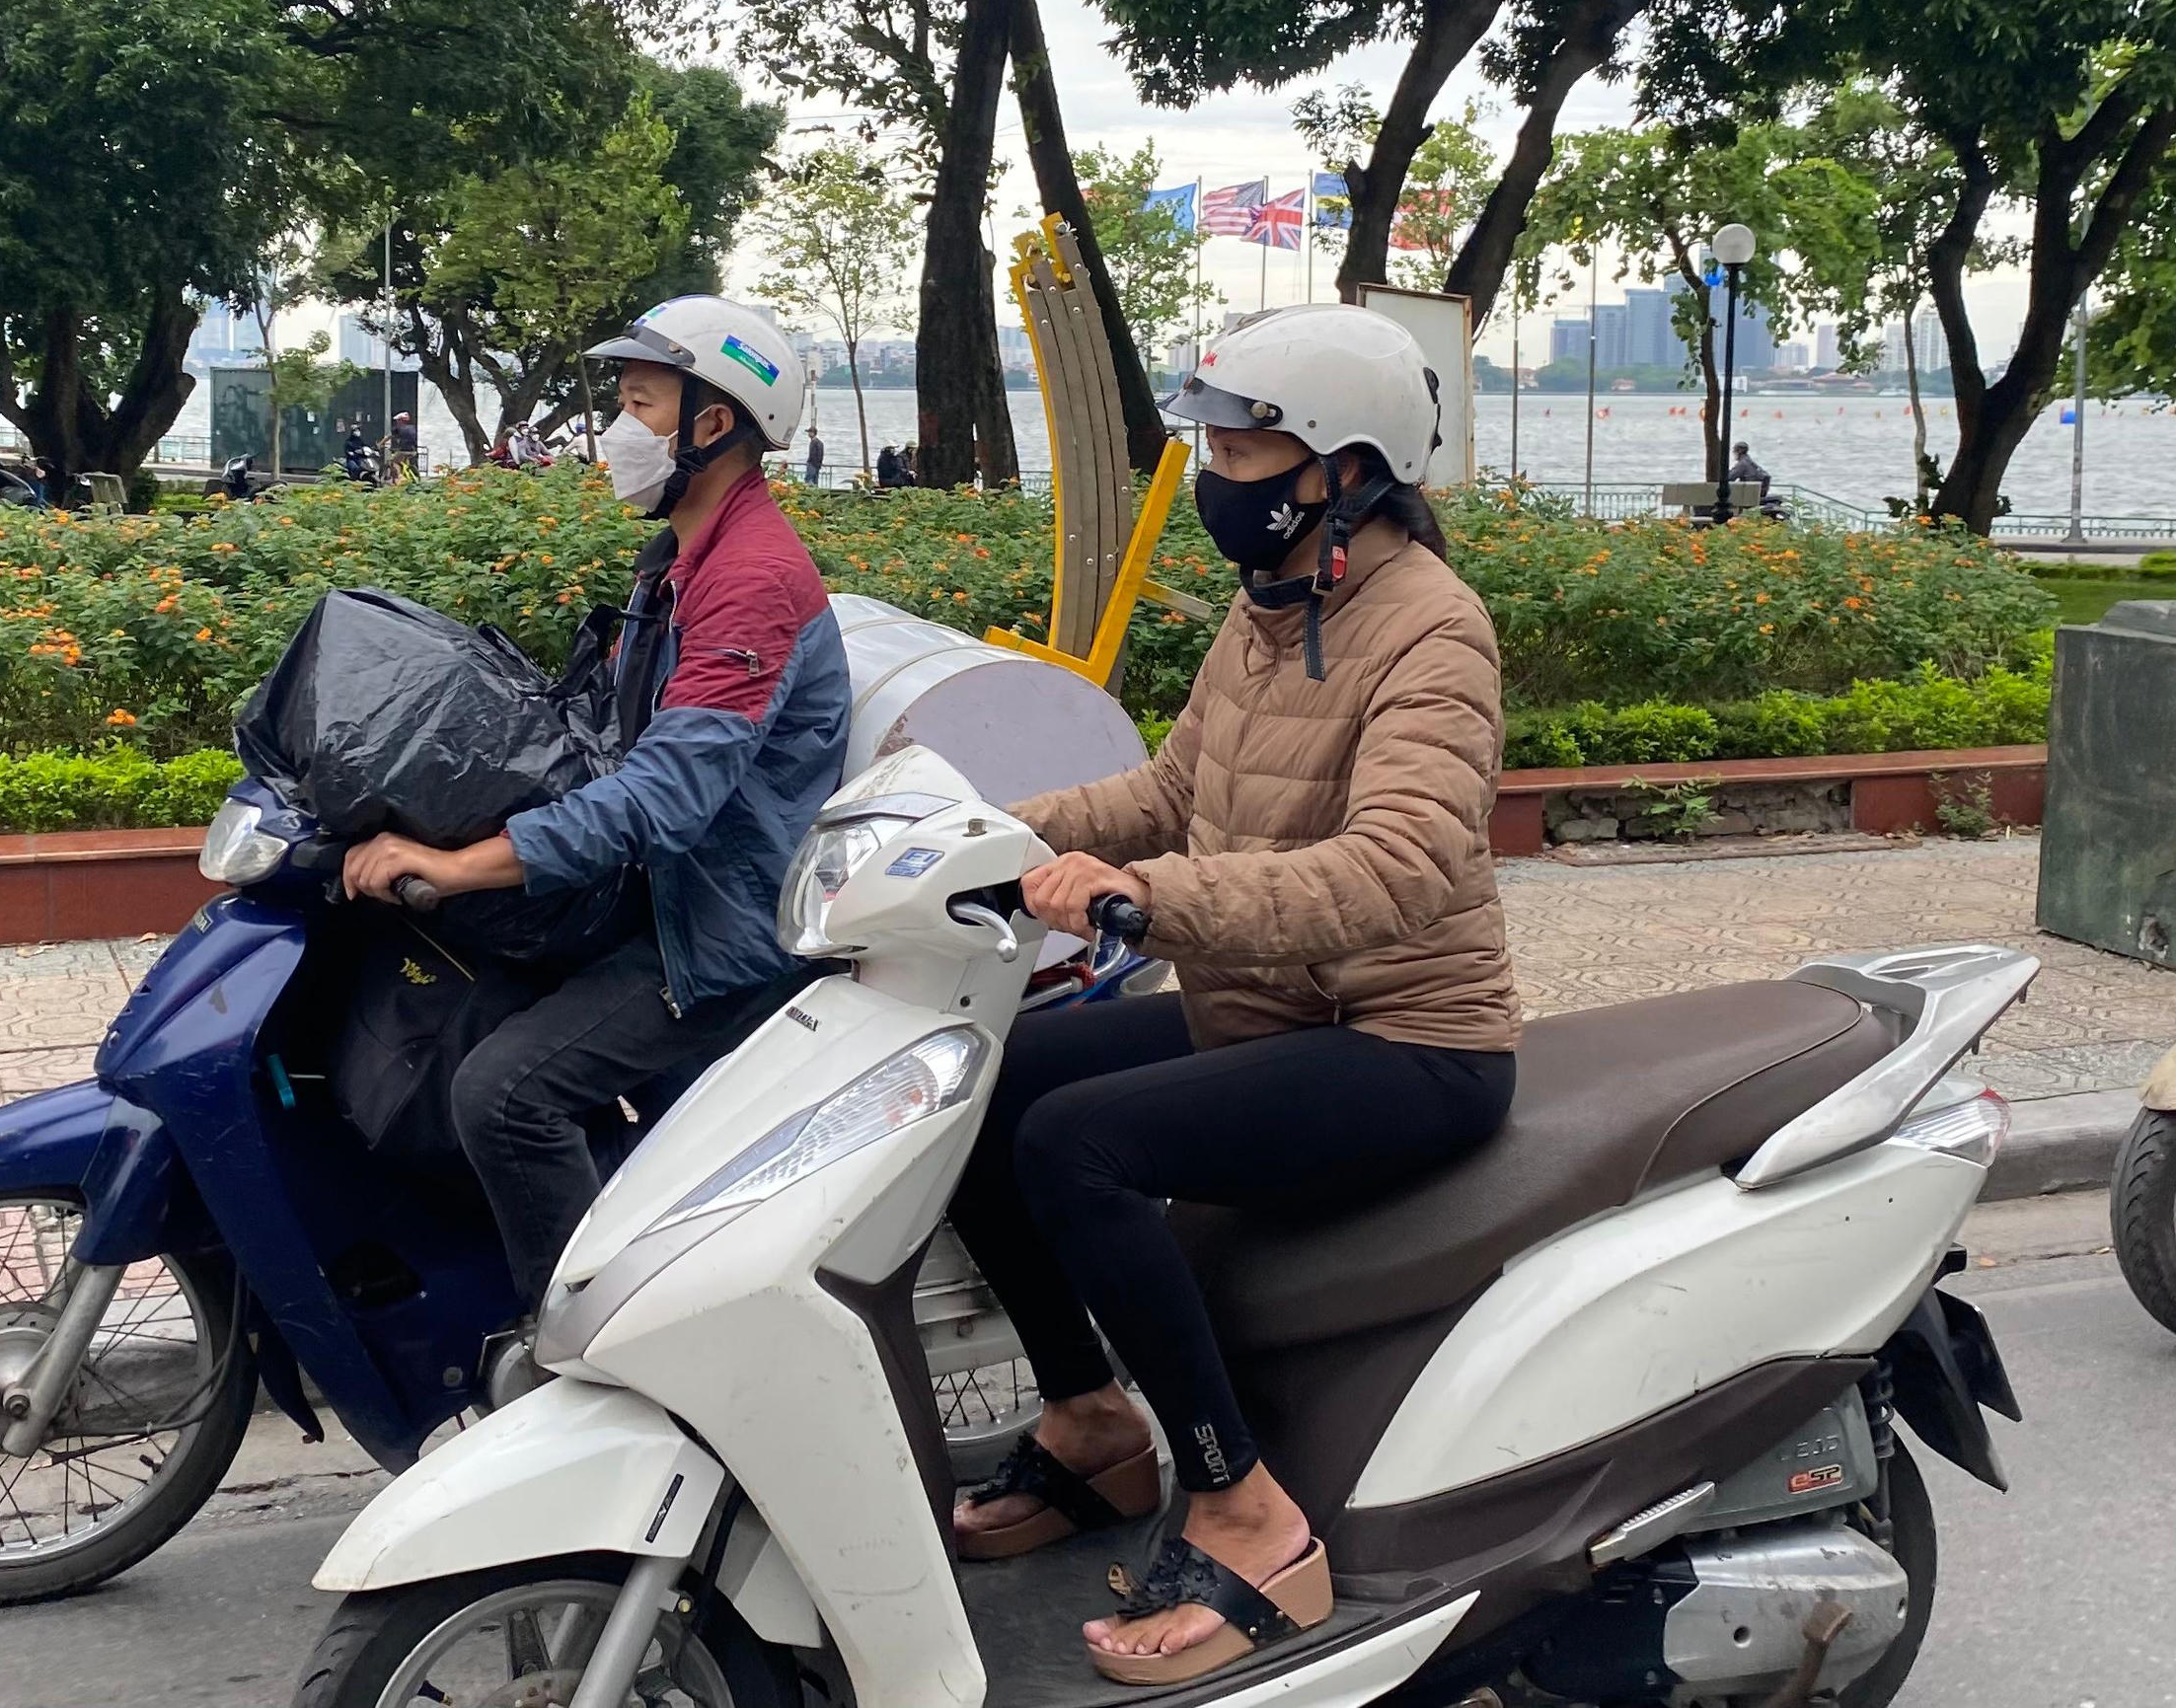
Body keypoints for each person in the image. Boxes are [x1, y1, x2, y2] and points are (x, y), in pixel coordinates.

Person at [942, 304, 1517, 1687]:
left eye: (1245, 448)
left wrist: (1148, 898)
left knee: (1076, 1144)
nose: (1216, 477)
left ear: (1346, 468)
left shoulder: (1432, 632)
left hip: (1406, 1041)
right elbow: (1172, 789)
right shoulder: (1272, 611)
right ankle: (1091, 1423)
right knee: (983, 1089)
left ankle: (1245, 1509)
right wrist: (981, 838)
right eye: (1212, 445)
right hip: (1269, 1009)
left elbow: (1398, 868)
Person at [339, 295, 847, 1327]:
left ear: (712, 424)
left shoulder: (750, 578)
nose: (616, 430)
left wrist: (464, 864)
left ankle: (592, 1355)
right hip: (658, 896)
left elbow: (669, 794)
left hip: (718, 931)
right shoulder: (681, 559)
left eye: (640, 403)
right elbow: (607, 733)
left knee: (503, 1094)